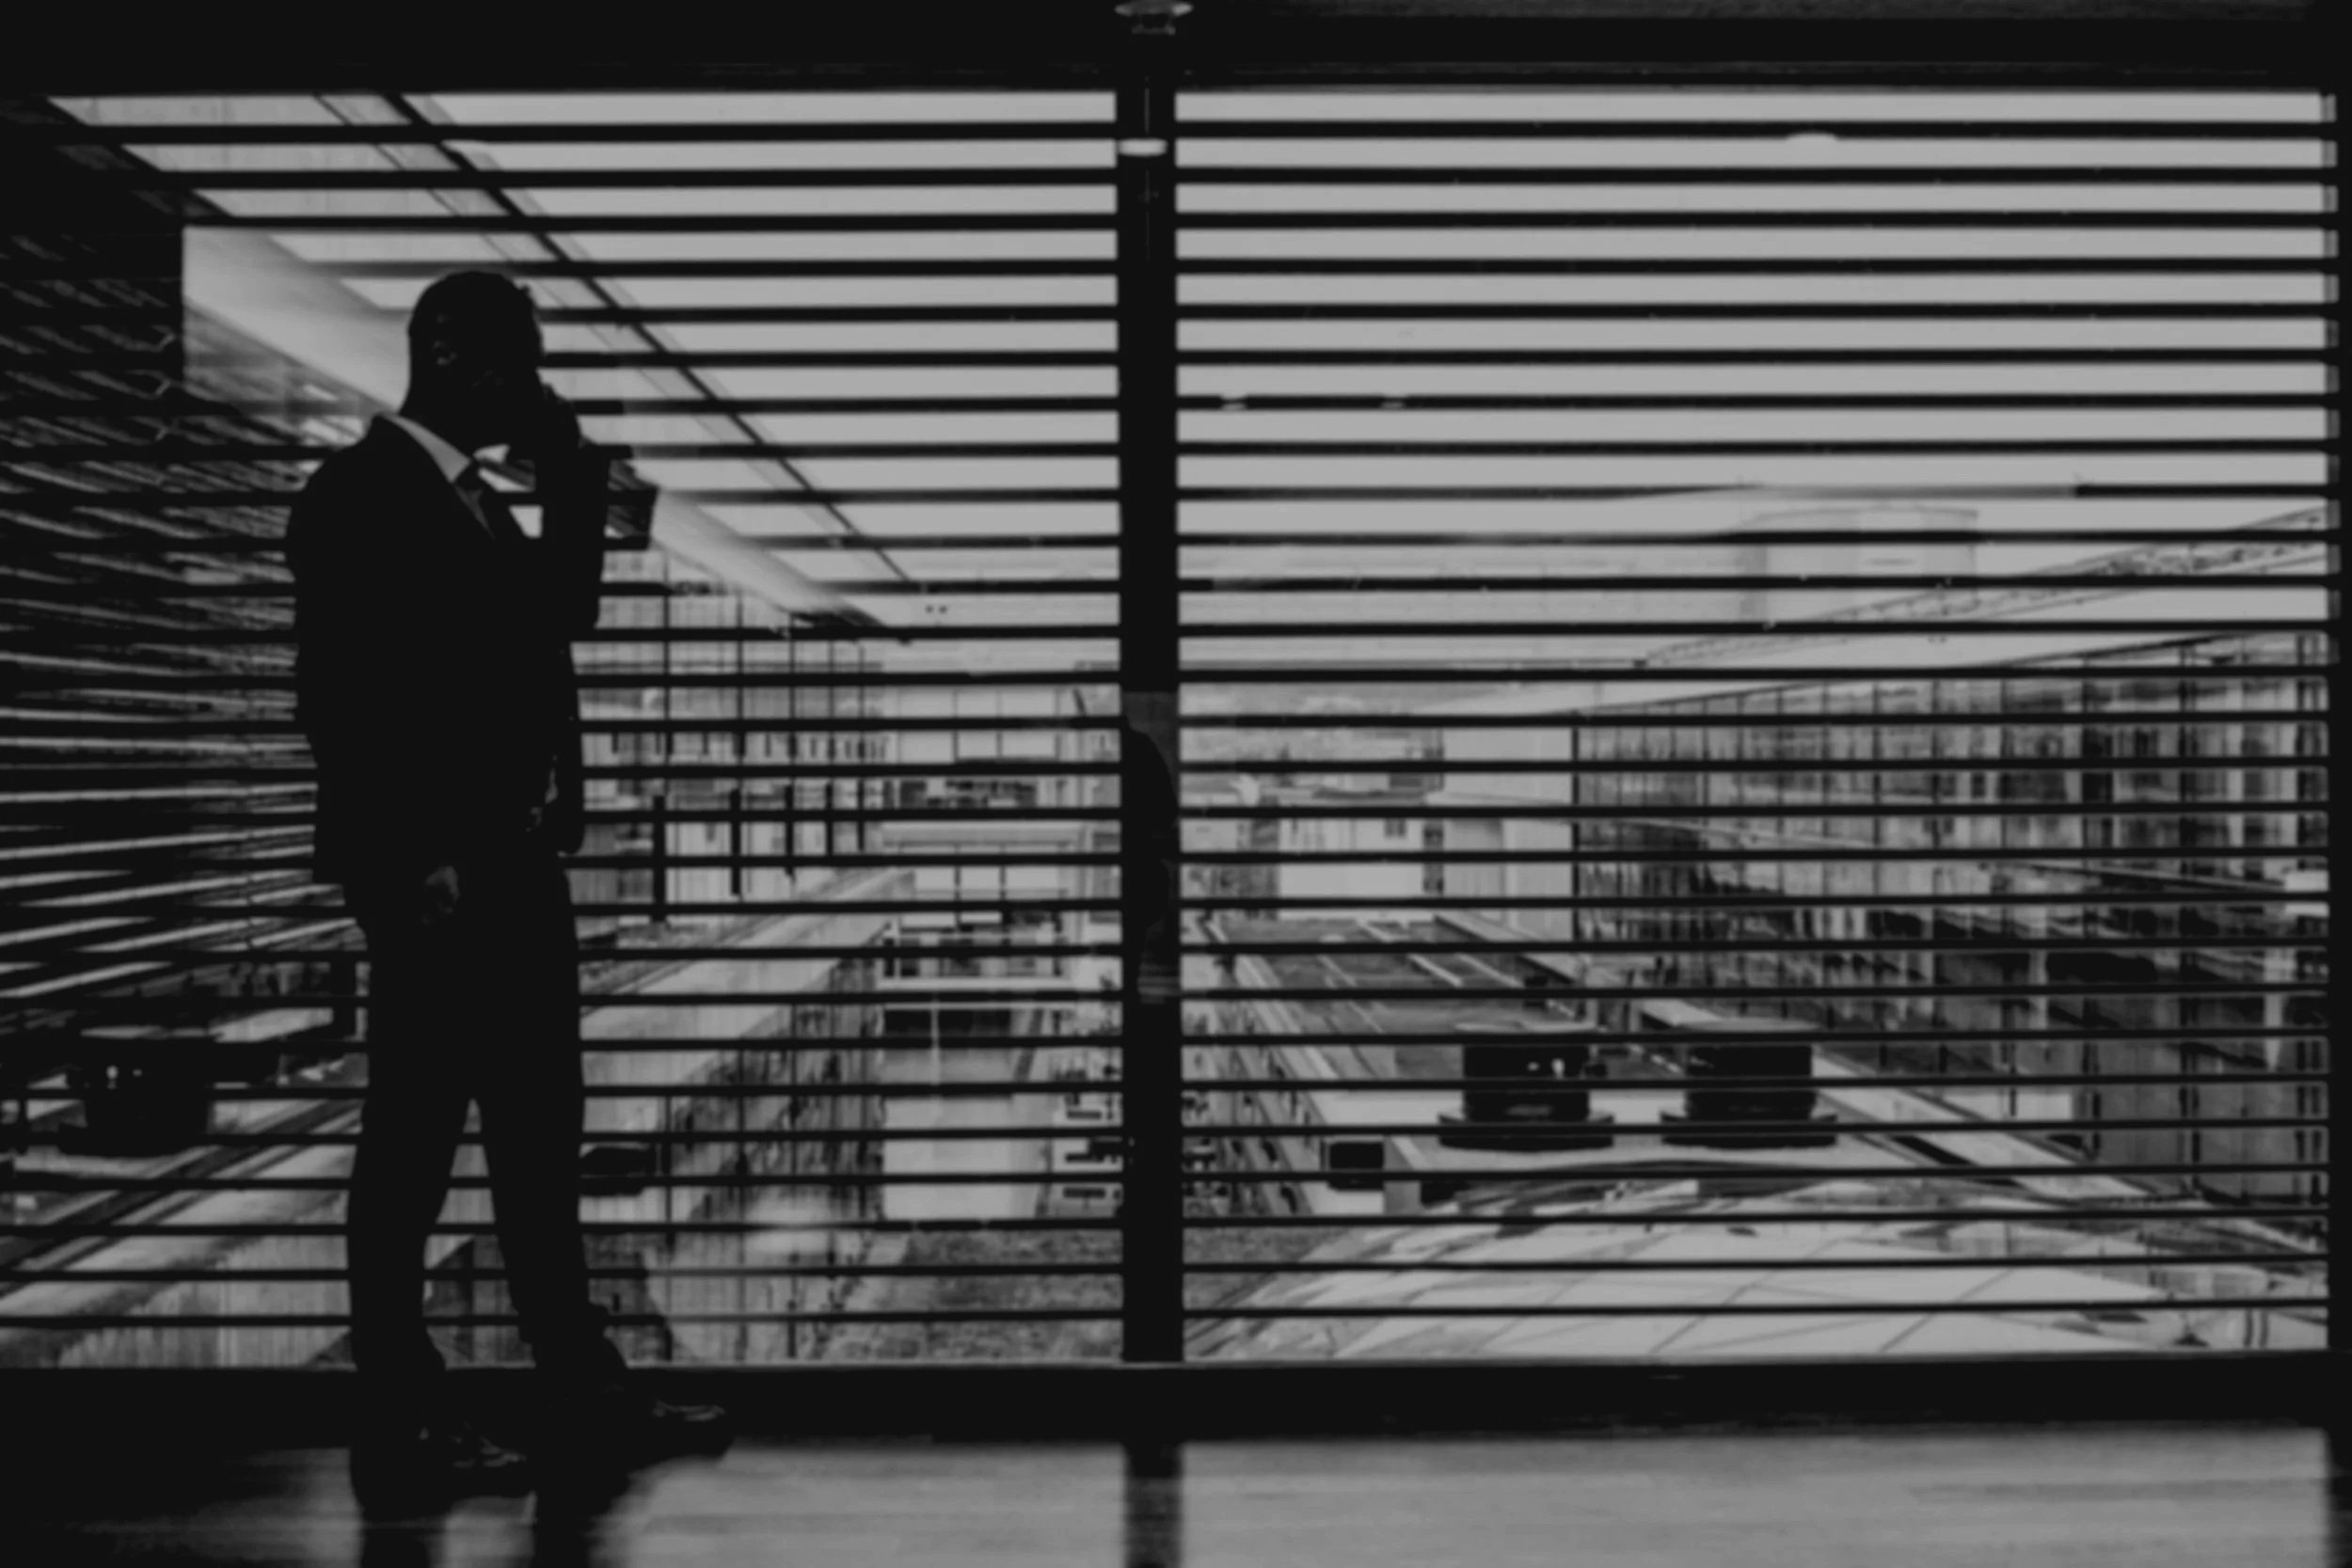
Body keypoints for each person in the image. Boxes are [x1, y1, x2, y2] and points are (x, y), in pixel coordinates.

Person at [287, 270, 725, 1507]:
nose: (531, 385)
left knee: (539, 1138)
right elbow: (340, 695)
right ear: (449, 357)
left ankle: (580, 1395)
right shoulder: (357, 496)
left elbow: (564, 612)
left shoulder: (475, 501)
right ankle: (405, 1418)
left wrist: (571, 460)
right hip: (437, 873)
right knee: (416, 1142)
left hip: (513, 861)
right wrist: (408, 854)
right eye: (517, 365)